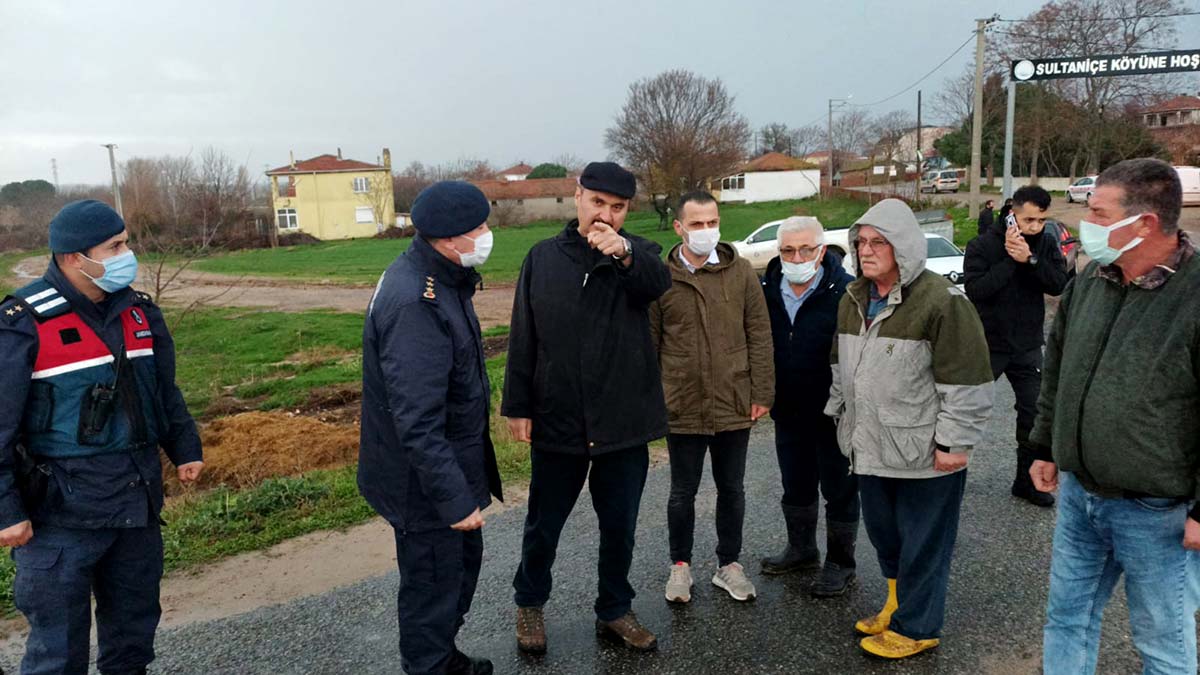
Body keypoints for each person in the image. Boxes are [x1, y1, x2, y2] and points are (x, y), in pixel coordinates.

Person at [0, 200, 204, 675]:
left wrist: (184, 448)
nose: (127, 253)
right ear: (74, 257)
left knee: (132, 642)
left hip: (136, 507)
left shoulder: (139, 314)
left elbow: (163, 390)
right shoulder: (22, 323)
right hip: (61, 517)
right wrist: (6, 509)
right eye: (115, 246)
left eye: (126, 242)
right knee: (57, 654)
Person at [1030, 158, 1200, 675]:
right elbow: (1057, 366)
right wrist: (1044, 445)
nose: (1086, 222)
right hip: (1081, 496)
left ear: (1145, 223)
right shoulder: (1093, 280)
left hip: (1156, 513)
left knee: (1163, 641)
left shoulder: (1194, 296)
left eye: (1099, 213)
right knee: (1067, 619)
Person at [503, 162, 671, 654]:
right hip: (559, 418)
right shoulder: (542, 258)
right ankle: (529, 604)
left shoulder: (639, 255)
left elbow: (654, 283)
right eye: (598, 202)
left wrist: (623, 255)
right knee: (543, 523)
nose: (606, 215)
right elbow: (522, 336)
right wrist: (518, 405)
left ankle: (615, 609)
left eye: (617, 208)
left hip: (622, 420)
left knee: (620, 526)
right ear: (577, 196)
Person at [825, 198, 993, 659]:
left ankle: (918, 626)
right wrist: (842, 421)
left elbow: (969, 380)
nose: (867, 250)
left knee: (924, 544)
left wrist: (954, 443)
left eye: (879, 242)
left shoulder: (941, 301)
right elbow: (841, 370)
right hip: (871, 446)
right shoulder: (853, 299)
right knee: (886, 535)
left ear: (904, 246)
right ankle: (898, 605)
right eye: (861, 242)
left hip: (925, 450)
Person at [358, 181, 503, 675]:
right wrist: (453, 499)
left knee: (454, 577)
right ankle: (431, 664)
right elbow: (417, 420)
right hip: (425, 485)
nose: (487, 235)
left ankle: (442, 656)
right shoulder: (417, 302)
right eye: (478, 228)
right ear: (446, 238)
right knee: (433, 587)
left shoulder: (442, 277)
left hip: (446, 469)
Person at [649, 191, 773, 605]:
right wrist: (653, 398)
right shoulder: (661, 277)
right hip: (681, 400)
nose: (706, 231)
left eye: (712, 222)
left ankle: (729, 564)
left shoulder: (740, 274)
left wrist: (762, 392)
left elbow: (759, 333)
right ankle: (680, 567)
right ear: (679, 228)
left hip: (733, 398)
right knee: (682, 491)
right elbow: (650, 345)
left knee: (731, 487)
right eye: (697, 224)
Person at [759, 216, 859, 598]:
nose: (796, 256)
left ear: (820, 251)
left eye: (804, 249)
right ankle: (801, 549)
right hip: (787, 409)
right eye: (787, 250)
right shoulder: (766, 290)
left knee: (840, 487)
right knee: (795, 484)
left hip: (834, 412)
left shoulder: (846, 292)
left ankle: (840, 562)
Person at [963, 185, 1067, 508]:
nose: (1035, 227)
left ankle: (1026, 482)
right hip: (988, 345)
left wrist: (1031, 260)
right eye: (1029, 219)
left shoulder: (1046, 243)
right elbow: (977, 289)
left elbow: (1059, 283)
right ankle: (945, 479)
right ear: (1012, 213)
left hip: (1027, 345)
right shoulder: (981, 245)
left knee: (1033, 414)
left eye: (1041, 220)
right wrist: (1011, 261)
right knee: (964, 411)